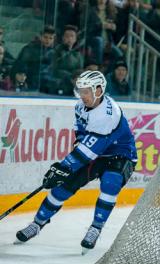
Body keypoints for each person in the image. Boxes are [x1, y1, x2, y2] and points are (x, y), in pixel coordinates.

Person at [15, 71, 137, 252]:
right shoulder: (81, 106)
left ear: (98, 90)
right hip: (94, 152)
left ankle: (96, 228)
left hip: (120, 154)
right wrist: (75, 148)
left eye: (86, 91)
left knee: (111, 182)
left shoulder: (107, 115)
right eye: (80, 91)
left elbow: (88, 152)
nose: (82, 95)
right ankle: (37, 224)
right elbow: (80, 129)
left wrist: (63, 167)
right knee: (62, 188)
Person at [13, 26, 55, 91]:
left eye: (51, 38)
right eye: (45, 37)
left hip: (47, 83)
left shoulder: (53, 52)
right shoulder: (29, 49)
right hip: (31, 81)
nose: (48, 40)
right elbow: (21, 64)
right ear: (40, 37)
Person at [49, 25, 84, 95]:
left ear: (75, 39)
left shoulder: (78, 54)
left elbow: (80, 70)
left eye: (72, 36)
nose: (69, 38)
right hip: (60, 83)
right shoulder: (56, 51)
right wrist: (71, 77)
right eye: (67, 36)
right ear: (63, 38)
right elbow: (53, 69)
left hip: (75, 82)